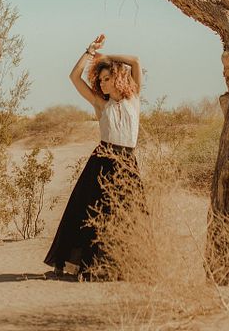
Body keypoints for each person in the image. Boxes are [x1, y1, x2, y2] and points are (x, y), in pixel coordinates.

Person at [43, 33, 144, 281]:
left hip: (127, 162)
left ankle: (124, 267)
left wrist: (107, 56)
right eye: (101, 80)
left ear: (119, 78)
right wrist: (89, 52)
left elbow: (135, 61)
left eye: (108, 79)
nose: (103, 84)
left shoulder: (134, 99)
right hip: (103, 160)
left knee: (129, 215)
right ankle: (85, 266)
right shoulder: (101, 103)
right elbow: (74, 77)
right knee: (90, 213)